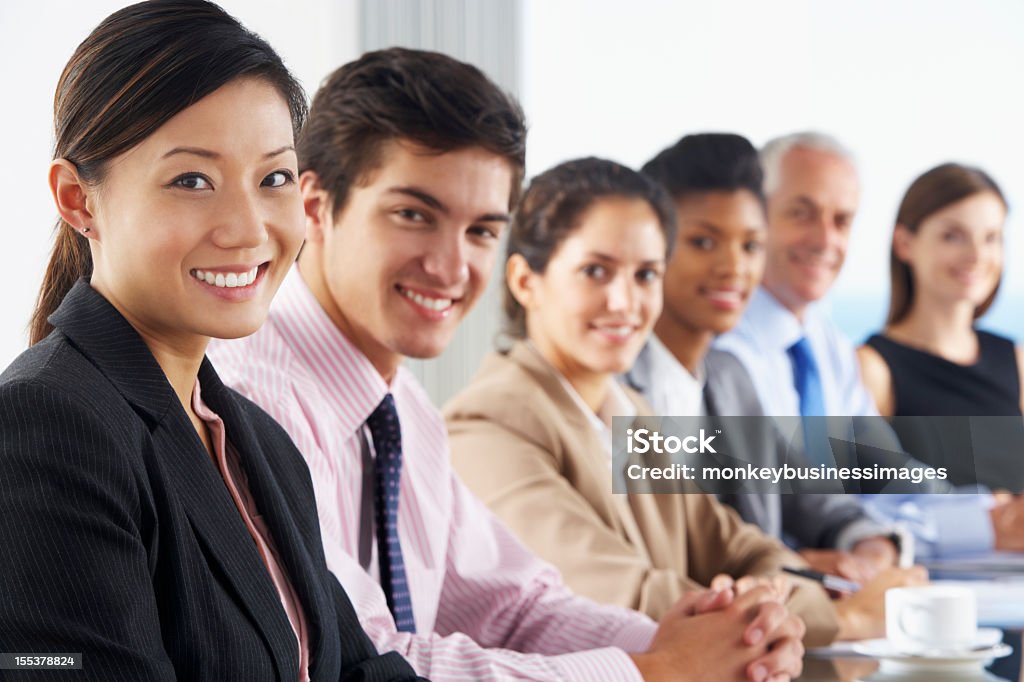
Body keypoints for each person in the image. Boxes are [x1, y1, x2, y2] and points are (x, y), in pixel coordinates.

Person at [209, 48, 805, 682]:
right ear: (315, 206)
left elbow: (513, 606)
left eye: (482, 231)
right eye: (414, 215)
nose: (451, 266)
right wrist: (651, 668)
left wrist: (710, 636)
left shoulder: (404, 408)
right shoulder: (252, 402)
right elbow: (364, 663)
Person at [0, 2, 421, 680]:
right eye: (192, 180)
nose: (248, 229)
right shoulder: (45, 427)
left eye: (273, 178)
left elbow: (361, 670)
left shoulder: (260, 444)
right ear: (79, 200)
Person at [444, 155, 920, 648]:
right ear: (525, 281)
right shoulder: (486, 427)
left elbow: (740, 547)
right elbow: (625, 599)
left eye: (646, 275)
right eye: (595, 271)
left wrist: (773, 590)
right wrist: (846, 618)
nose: (625, 303)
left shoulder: (629, 411)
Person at [714, 131, 1024, 559]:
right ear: (754, 216)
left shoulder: (826, 344)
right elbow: (785, 506)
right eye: (801, 213)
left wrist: (991, 512)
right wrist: (982, 525)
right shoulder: (723, 352)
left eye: (841, 220)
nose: (825, 239)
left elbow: (884, 468)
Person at [627, 132, 901, 585]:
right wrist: (798, 573)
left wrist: (870, 546)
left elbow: (812, 499)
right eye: (703, 242)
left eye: (750, 245)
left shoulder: (728, 378)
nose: (733, 268)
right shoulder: (614, 387)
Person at [857, 163, 1024, 498]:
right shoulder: (872, 369)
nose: (976, 255)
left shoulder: (1016, 360)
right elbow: (866, 503)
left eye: (991, 238)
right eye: (953, 236)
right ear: (905, 243)